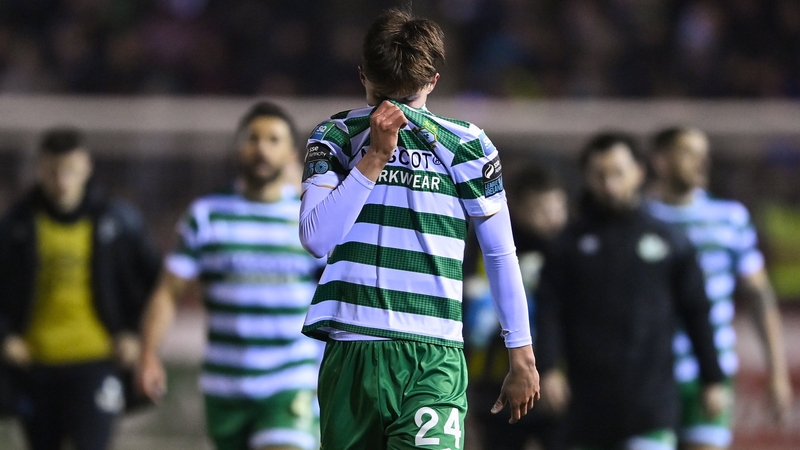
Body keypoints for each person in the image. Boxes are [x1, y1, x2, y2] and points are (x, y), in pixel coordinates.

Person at [298, 8, 540, 450]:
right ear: (434, 79)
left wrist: (520, 350)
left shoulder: (467, 144)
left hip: (433, 351)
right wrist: (373, 158)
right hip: (354, 342)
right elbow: (316, 238)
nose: (392, 112)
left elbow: (500, 252)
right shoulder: (335, 135)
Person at [136, 102, 324, 450]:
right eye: (253, 138)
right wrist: (148, 353)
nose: (262, 149)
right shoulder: (207, 216)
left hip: (290, 379)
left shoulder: (309, 218)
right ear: (238, 148)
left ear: (291, 153)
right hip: (225, 386)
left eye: (273, 139)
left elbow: (336, 293)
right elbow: (168, 291)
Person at [535, 132, 727, 450]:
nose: (609, 185)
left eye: (618, 173)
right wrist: (549, 368)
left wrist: (712, 379)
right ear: (587, 178)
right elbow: (549, 311)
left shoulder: (669, 241)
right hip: (585, 410)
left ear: (639, 172)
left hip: (651, 407)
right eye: (600, 175)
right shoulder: (567, 246)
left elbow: (697, 312)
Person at [0, 127, 161, 450]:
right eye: (53, 171)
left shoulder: (117, 221)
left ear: (86, 168)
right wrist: (5, 336)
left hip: (96, 361)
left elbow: (157, 282)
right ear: (39, 170)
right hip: (36, 366)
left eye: (70, 170)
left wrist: (134, 332)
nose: (62, 180)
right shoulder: (17, 225)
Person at [647, 127, 793, 450]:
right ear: (662, 161)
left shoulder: (730, 218)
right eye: (688, 153)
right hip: (650, 372)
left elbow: (759, 296)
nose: (701, 162)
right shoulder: (641, 219)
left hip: (711, 371)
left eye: (704, 154)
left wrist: (778, 372)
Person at [466, 164, 569, 450]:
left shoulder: (572, 250)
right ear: (518, 208)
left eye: (556, 207)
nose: (551, 218)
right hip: (495, 382)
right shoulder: (490, 250)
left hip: (556, 383)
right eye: (540, 208)